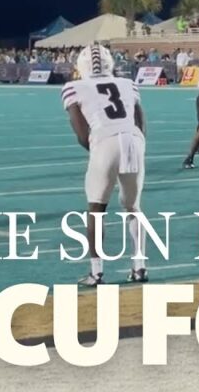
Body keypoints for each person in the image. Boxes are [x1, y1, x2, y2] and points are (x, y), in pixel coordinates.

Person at [62, 45, 148, 287]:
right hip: (133, 139)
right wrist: (138, 147)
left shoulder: (73, 87)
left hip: (103, 140)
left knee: (97, 209)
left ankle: (96, 272)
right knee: (133, 207)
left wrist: (100, 154)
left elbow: (81, 133)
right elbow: (140, 121)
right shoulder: (127, 84)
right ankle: (139, 267)